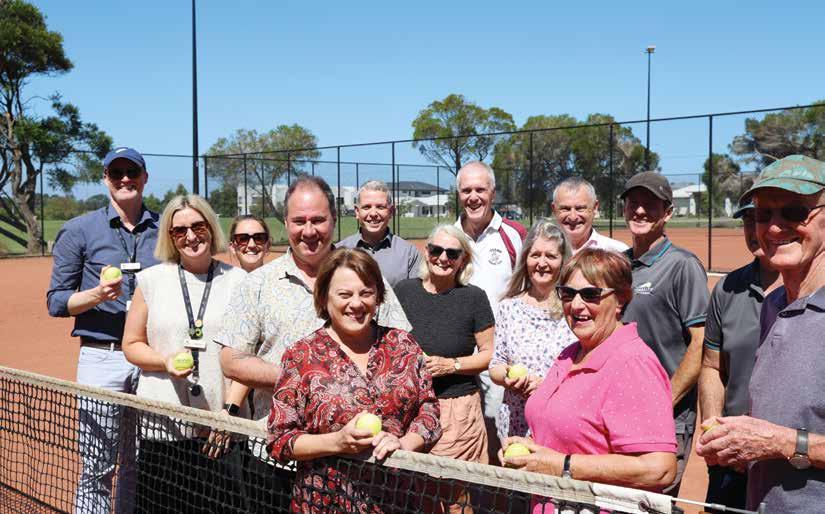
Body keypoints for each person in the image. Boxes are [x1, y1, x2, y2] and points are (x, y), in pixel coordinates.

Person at [217, 176, 411, 512]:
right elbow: (231, 360)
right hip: (277, 461)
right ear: (286, 223)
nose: (309, 231)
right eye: (299, 221)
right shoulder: (258, 284)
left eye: (318, 220)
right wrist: (305, 382)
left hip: (360, 465)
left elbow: (400, 349)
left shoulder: (366, 275)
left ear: (334, 221)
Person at [501, 248, 677, 513]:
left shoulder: (633, 363)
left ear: (620, 300)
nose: (576, 305)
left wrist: (563, 465)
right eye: (568, 293)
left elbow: (659, 468)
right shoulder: (570, 354)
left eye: (591, 294)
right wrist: (532, 450)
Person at [267, 248, 441, 513]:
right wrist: (337, 442)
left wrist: (404, 444)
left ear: (378, 296)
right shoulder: (301, 355)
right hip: (325, 503)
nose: (357, 304)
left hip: (397, 500)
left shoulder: (402, 344)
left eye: (366, 293)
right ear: (324, 297)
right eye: (345, 294)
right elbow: (279, 439)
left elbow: (429, 410)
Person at [696, 155, 825, 512]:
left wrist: (781, 443)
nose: (774, 228)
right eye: (764, 214)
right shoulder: (772, 305)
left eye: (795, 212)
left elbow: (777, 439)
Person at [46, 147, 159, 514]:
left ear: (145, 177)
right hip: (102, 357)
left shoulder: (166, 229)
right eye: (116, 172)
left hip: (150, 358)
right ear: (105, 178)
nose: (125, 179)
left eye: (132, 172)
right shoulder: (79, 230)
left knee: (140, 464)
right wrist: (96, 295)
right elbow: (56, 302)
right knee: (97, 465)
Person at [122, 195, 248, 513]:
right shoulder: (151, 281)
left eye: (198, 226)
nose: (190, 236)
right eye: (180, 230)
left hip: (220, 428)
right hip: (163, 426)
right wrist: (164, 361)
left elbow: (247, 355)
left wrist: (229, 414)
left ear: (211, 228)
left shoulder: (239, 281)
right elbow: (131, 344)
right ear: (170, 236)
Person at [394, 224, 495, 513]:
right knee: (418, 495)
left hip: (456, 410)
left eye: (452, 253)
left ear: (463, 260)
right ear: (426, 252)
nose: (443, 258)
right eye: (436, 250)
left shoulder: (474, 298)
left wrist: (451, 365)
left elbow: (488, 355)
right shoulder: (404, 291)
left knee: (454, 496)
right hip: (409, 408)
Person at [619, 171, 709, 494]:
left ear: (668, 213)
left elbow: (701, 343)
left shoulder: (683, 266)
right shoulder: (619, 265)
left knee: (653, 503)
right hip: (619, 411)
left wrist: (662, 402)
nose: (640, 211)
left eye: (651, 205)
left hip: (666, 418)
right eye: (633, 203)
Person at [697, 197, 781, 509]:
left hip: (790, 466)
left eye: (764, 217)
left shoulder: (814, 290)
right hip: (732, 461)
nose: (757, 229)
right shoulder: (727, 288)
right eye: (749, 220)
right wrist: (714, 430)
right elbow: (711, 366)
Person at [453, 160, 526, 464]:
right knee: (459, 429)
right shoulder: (449, 237)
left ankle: (498, 485)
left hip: (499, 354)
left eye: (480, 190)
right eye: (466, 190)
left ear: (493, 193)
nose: (473, 197)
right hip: (458, 353)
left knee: (498, 427)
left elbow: (528, 287)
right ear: (458, 194)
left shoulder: (514, 235)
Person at [488, 219, 576, 442]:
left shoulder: (574, 308)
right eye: (535, 255)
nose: (542, 263)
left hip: (561, 423)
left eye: (551, 256)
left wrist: (547, 385)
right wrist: (507, 378)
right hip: (516, 423)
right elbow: (496, 364)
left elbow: (584, 370)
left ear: (563, 261)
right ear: (525, 259)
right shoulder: (508, 307)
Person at [338, 180, 421, 286]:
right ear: (357, 212)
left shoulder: (409, 254)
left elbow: (415, 294)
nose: (373, 213)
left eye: (380, 207)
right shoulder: (338, 251)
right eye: (367, 207)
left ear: (391, 211)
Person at [551, 177, 628, 254]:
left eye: (580, 208)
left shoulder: (617, 252)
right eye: (565, 209)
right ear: (554, 209)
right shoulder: (544, 251)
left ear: (595, 207)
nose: (573, 217)